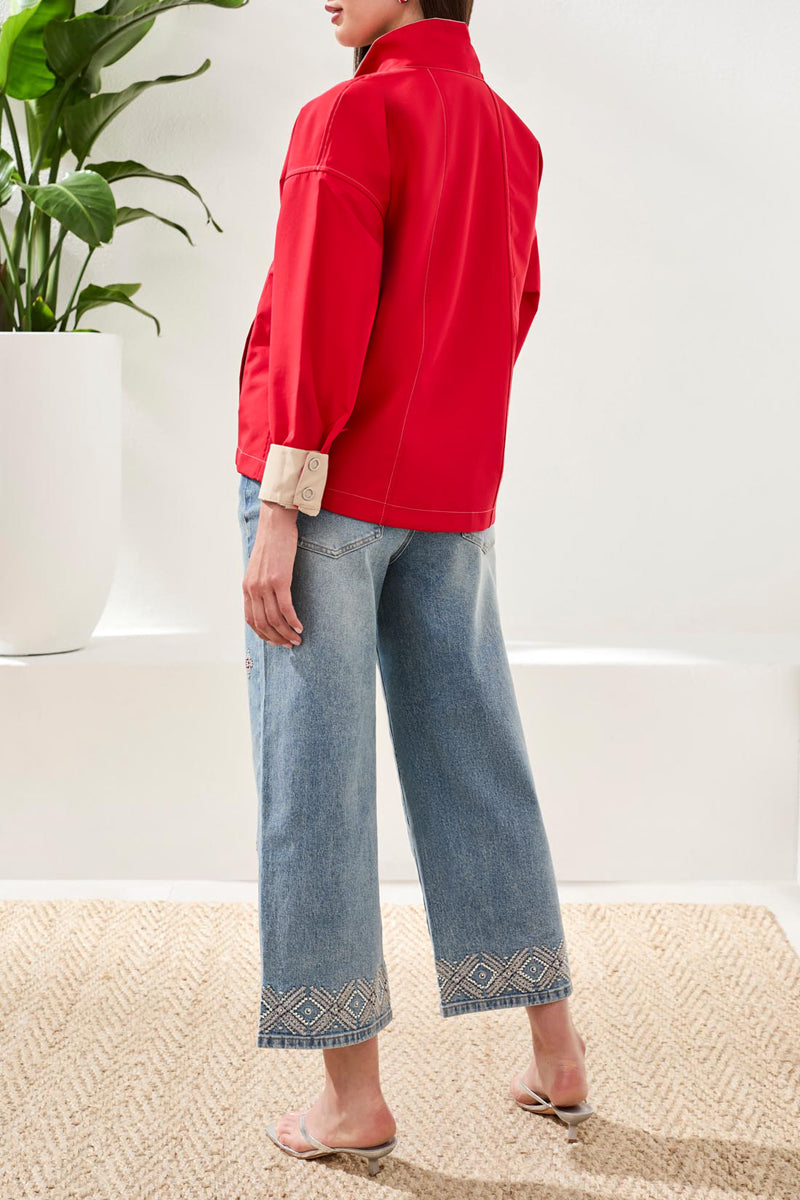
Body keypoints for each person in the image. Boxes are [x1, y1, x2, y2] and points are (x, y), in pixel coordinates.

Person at [236, 0, 593, 1172]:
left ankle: (351, 1101)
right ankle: (554, 1052)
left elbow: (312, 321)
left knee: (314, 779)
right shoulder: (509, 135)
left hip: (325, 488)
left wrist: (281, 512)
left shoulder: (346, 116)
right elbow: (512, 308)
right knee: (476, 754)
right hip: (450, 492)